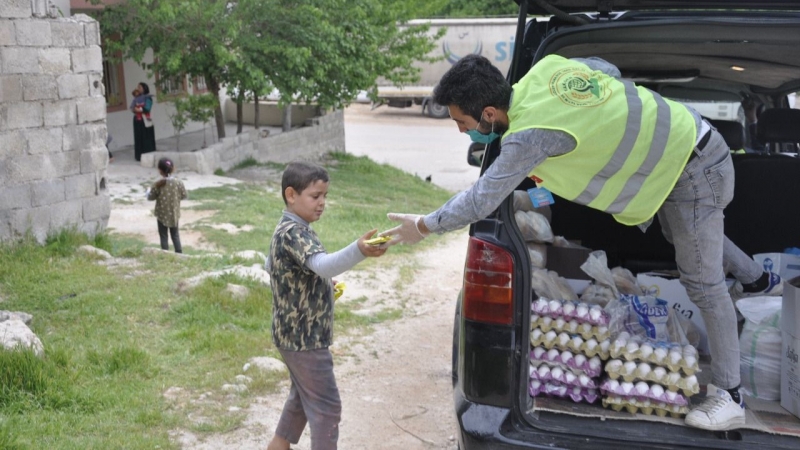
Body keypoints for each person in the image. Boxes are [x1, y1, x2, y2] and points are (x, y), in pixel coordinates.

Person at [381, 54, 782, 431]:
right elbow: (604, 69)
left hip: (696, 169)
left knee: (702, 283)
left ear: (488, 114)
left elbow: (482, 198)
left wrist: (425, 225)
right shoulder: (544, 72)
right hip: (685, 146)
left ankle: (730, 398)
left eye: (462, 122)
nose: (462, 131)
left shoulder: (529, 136)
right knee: (679, 235)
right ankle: (757, 280)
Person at [266, 161, 387, 450]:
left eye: (325, 197)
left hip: (293, 335)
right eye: (315, 196)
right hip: (304, 338)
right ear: (291, 195)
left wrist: (321, 286)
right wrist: (359, 250)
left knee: (302, 397)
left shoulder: (290, 228)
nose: (322, 203)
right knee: (327, 407)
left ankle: (278, 446)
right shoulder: (294, 233)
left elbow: (276, 267)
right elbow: (323, 265)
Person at [146, 157, 187, 253]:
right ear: (173, 168)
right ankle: (179, 253)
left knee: (163, 235)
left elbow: (150, 197)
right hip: (174, 214)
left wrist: (148, 192)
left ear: (160, 170)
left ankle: (165, 253)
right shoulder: (178, 183)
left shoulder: (158, 184)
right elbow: (184, 195)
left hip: (161, 215)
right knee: (175, 235)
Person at [130, 82, 157, 161]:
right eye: (138, 87)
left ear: (144, 88)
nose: (138, 89)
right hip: (137, 120)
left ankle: (148, 154)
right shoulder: (136, 98)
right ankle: (139, 155)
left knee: (146, 138)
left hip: (145, 120)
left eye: (140, 87)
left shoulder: (148, 98)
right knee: (138, 138)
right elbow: (132, 107)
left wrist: (139, 109)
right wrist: (134, 109)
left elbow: (147, 108)